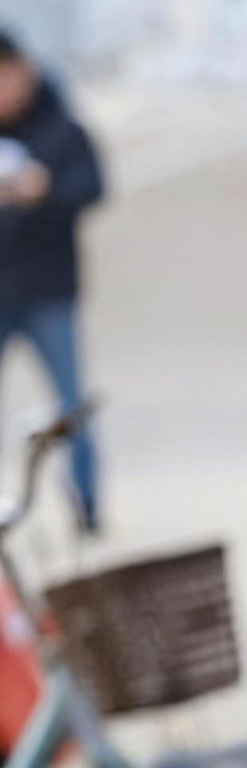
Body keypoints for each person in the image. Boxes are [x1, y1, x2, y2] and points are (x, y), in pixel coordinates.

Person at [0, 31, 105, 533]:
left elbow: (94, 188)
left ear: (27, 70)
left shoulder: (62, 130)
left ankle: (87, 506)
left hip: (50, 289)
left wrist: (44, 191)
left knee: (70, 407)